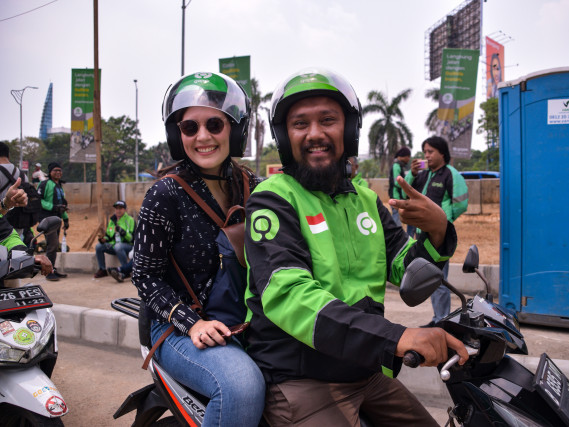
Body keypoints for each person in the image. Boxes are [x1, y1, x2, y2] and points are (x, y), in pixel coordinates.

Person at [244, 68, 468, 426]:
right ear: (285, 137)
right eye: (300, 124)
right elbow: (290, 295)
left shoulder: (366, 200)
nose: (315, 134)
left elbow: (405, 266)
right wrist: (397, 337)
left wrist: (438, 231)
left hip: (365, 370)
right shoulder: (273, 199)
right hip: (303, 377)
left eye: (328, 120)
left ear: (348, 131)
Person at [131, 72, 265, 426]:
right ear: (178, 136)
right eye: (190, 128)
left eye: (214, 125)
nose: (202, 137)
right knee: (242, 386)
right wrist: (192, 324)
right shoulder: (165, 195)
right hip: (179, 327)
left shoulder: (253, 186)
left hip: (247, 319)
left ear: (235, 130)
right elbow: (144, 276)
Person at [406, 136, 469, 324]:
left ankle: (443, 321)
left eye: (430, 151)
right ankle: (437, 319)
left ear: (442, 153)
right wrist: (412, 175)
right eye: (425, 152)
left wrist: (444, 222)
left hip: (438, 235)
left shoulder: (451, 174)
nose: (427, 155)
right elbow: (406, 193)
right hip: (421, 234)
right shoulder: (423, 174)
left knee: (439, 280)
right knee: (430, 278)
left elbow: (461, 203)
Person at [36, 162, 69, 281]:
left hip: (57, 219)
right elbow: (38, 200)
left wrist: (65, 218)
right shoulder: (45, 184)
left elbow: (62, 205)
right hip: (47, 220)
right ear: (50, 172)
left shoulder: (59, 186)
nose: (58, 172)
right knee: (52, 244)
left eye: (60, 170)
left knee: (54, 246)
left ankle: (52, 268)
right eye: (55, 170)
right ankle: (48, 272)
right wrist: (53, 207)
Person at [94, 200, 135, 278]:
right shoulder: (112, 220)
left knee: (118, 246)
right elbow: (108, 235)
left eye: (120, 208)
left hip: (127, 246)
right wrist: (104, 239)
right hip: (114, 245)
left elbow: (132, 238)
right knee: (99, 246)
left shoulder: (130, 220)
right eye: (116, 208)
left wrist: (122, 232)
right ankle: (102, 269)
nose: (118, 210)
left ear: (125, 209)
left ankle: (125, 270)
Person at [388, 146, 411, 225]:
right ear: (403, 156)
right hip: (396, 196)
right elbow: (397, 182)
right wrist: (407, 186)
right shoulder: (396, 166)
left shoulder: (400, 166)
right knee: (396, 219)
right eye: (408, 156)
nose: (409, 159)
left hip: (397, 196)